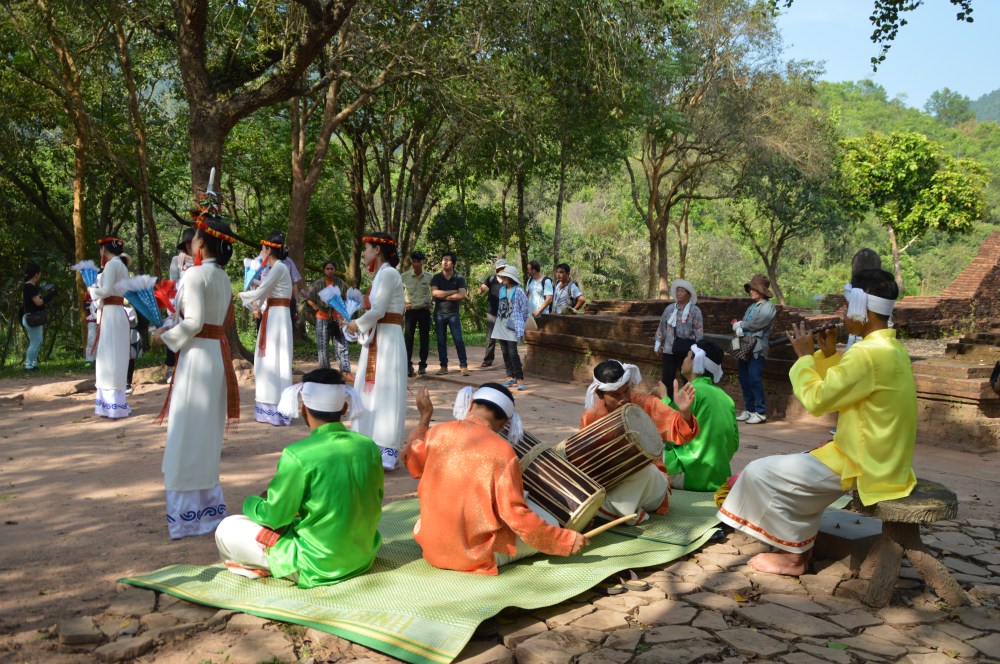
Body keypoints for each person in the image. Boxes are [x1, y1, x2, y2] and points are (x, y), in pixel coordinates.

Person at [718, 268, 915, 576]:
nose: (845, 315)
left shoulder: (866, 354)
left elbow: (818, 400)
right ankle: (798, 543)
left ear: (862, 310)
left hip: (862, 461)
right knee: (792, 472)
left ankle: (792, 556)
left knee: (759, 472)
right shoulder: (891, 349)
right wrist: (827, 355)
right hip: (881, 456)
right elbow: (849, 388)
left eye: (848, 308)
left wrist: (804, 358)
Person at [215, 368, 383, 586]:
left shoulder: (297, 454)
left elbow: (274, 517)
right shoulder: (368, 446)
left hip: (317, 565)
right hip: (363, 556)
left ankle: (265, 566)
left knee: (228, 528)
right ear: (343, 408)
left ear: (304, 408)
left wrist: (252, 503)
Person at [404, 384, 588, 574]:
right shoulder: (503, 451)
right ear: (504, 423)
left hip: (431, 545)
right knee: (550, 522)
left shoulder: (437, 433)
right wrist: (563, 539)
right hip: (471, 557)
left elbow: (413, 461)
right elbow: (515, 515)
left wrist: (425, 417)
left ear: (471, 404)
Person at [153, 218, 239, 540]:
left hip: (196, 358)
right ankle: (208, 510)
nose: (192, 241)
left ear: (201, 243)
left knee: (187, 433)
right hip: (215, 356)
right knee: (205, 435)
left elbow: (193, 322)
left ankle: (187, 517)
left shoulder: (194, 275)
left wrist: (164, 336)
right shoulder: (222, 277)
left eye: (195, 236)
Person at [581, 360, 698, 525]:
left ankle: (606, 512)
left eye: (626, 390)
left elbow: (680, 432)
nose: (623, 399)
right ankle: (622, 512)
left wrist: (684, 412)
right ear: (600, 395)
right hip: (612, 486)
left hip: (651, 487)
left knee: (645, 470)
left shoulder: (645, 403)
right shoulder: (591, 416)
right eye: (615, 395)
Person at [345, 232, 407, 471]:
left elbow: (379, 309)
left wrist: (355, 324)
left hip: (388, 339)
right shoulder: (382, 274)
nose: (364, 253)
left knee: (385, 391)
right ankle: (366, 444)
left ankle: (384, 451)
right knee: (369, 388)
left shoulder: (389, 273)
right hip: (379, 336)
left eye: (367, 248)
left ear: (378, 250)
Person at [658, 340, 739, 492]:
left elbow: (669, 432)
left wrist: (663, 397)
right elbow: (734, 444)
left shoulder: (691, 391)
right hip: (718, 478)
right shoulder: (726, 398)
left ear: (697, 361)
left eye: (688, 356)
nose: (683, 360)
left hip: (687, 474)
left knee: (642, 446)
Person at [239, 231, 294, 426]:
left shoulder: (278, 268)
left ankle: (277, 408)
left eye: (262, 249)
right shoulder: (276, 269)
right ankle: (268, 408)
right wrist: (251, 284)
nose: (261, 253)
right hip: (274, 315)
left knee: (275, 358)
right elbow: (264, 287)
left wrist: (242, 295)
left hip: (277, 317)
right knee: (268, 358)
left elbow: (263, 290)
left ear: (268, 250)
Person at [88, 236, 131, 419]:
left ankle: (111, 406)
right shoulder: (121, 265)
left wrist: (91, 290)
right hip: (118, 312)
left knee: (109, 355)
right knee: (117, 355)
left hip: (111, 313)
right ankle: (116, 402)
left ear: (104, 250)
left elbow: (105, 291)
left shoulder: (112, 265)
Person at [734, 274, 777, 425]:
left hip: (757, 347)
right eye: (750, 288)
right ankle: (750, 409)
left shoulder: (768, 307)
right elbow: (748, 324)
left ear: (762, 291)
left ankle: (760, 412)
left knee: (754, 378)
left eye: (754, 288)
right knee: (744, 378)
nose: (751, 291)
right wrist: (739, 328)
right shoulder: (751, 306)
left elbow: (757, 324)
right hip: (745, 345)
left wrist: (742, 325)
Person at [655, 279, 704, 400]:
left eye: (682, 291)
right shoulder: (669, 309)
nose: (679, 293)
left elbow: (699, 330)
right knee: (667, 378)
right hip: (669, 349)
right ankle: (668, 403)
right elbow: (662, 326)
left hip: (686, 351)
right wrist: (657, 342)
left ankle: (690, 403)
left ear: (689, 294)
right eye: (677, 291)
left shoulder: (695, 311)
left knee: (687, 378)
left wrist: (699, 349)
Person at [305, 260, 352, 377]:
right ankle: (325, 372)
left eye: (332, 269)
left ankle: (345, 371)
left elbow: (346, 299)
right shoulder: (317, 284)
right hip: (322, 317)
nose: (330, 271)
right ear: (324, 270)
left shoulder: (341, 283)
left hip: (338, 318)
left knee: (341, 343)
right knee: (323, 345)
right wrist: (315, 305)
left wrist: (343, 316)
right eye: (327, 269)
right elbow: (306, 296)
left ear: (335, 270)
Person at [491, 265, 530, 391]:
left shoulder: (519, 291)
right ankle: (510, 376)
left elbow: (525, 309)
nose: (504, 277)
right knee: (505, 352)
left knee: (513, 352)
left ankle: (519, 378)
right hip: (501, 323)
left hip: (513, 324)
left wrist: (519, 322)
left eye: (506, 276)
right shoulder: (502, 289)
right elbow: (500, 306)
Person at [430, 251, 469, 376]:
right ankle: (443, 366)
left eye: (447, 260)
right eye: (443, 260)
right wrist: (452, 291)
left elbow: (461, 295)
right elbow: (434, 294)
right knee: (441, 341)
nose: (444, 262)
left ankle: (463, 366)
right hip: (439, 314)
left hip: (453, 314)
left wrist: (443, 295)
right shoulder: (436, 277)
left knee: (458, 340)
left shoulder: (459, 278)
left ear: (453, 263)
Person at [166, 227, 196, 383]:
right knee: (175, 331)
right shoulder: (176, 261)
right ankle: (172, 369)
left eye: (192, 243)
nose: (190, 246)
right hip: (178, 302)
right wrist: (171, 306)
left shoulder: (201, 261)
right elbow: (172, 283)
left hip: (195, 302)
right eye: (187, 243)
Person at [401, 250, 433, 377]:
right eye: (414, 261)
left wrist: (432, 304)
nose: (416, 264)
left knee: (424, 338)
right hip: (410, 312)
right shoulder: (404, 276)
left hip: (424, 311)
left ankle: (422, 365)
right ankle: (408, 365)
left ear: (422, 262)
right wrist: (403, 304)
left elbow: (435, 292)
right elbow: (397, 293)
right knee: (408, 338)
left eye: (418, 261)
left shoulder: (430, 277)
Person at [21, 263, 55, 372]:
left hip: (33, 318)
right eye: (39, 273)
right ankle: (28, 365)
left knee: (38, 341)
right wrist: (51, 295)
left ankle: (33, 364)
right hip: (32, 318)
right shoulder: (29, 287)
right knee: (35, 342)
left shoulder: (31, 286)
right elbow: (38, 302)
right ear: (36, 274)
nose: (40, 275)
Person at [477, 258, 507, 368]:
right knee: (490, 337)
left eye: (504, 268)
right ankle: (488, 359)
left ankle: (507, 359)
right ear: (497, 269)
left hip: (505, 313)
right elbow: (480, 290)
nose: (502, 270)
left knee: (504, 338)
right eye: (500, 268)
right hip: (492, 312)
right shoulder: (491, 279)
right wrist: (481, 289)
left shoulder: (509, 280)